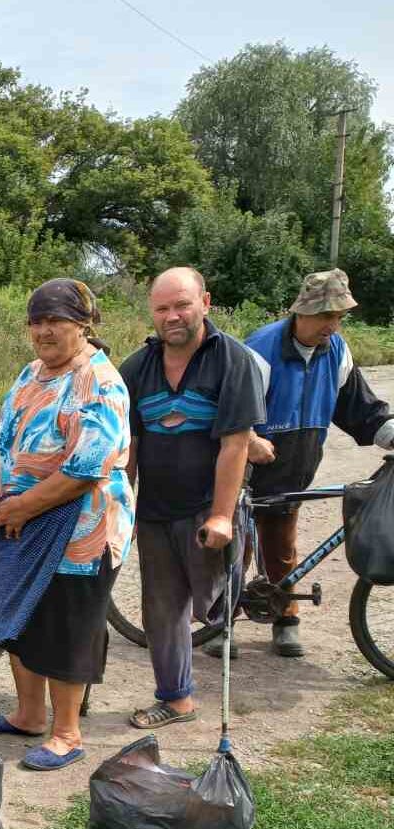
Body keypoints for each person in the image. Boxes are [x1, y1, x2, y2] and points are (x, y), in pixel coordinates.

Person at [0, 279, 134, 770]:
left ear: (83, 324)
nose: (43, 331)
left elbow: (87, 469)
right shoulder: (31, 374)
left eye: (55, 321)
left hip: (80, 531)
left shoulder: (100, 383)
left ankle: (67, 732)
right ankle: (27, 714)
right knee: (20, 616)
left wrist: (21, 508)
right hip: (19, 524)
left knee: (66, 626)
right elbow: (1, 442)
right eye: (36, 321)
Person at [205, 268, 394, 659]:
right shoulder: (262, 348)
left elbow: (362, 410)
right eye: (327, 316)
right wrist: (251, 439)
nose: (334, 325)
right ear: (303, 313)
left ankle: (285, 619)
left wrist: (390, 433)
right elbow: (227, 407)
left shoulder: (337, 352)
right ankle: (222, 625)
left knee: (282, 546)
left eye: (339, 317)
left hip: (295, 466)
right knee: (234, 549)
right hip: (247, 466)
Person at [120, 266, 266, 730]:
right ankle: (176, 697)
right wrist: (121, 508)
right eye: (162, 308)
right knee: (162, 608)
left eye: (182, 304)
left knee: (212, 603)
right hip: (156, 512)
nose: (172, 316)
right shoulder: (136, 367)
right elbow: (130, 447)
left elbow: (235, 444)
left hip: (208, 508)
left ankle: (240, 596)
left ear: (205, 302)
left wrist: (223, 515)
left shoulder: (232, 360)